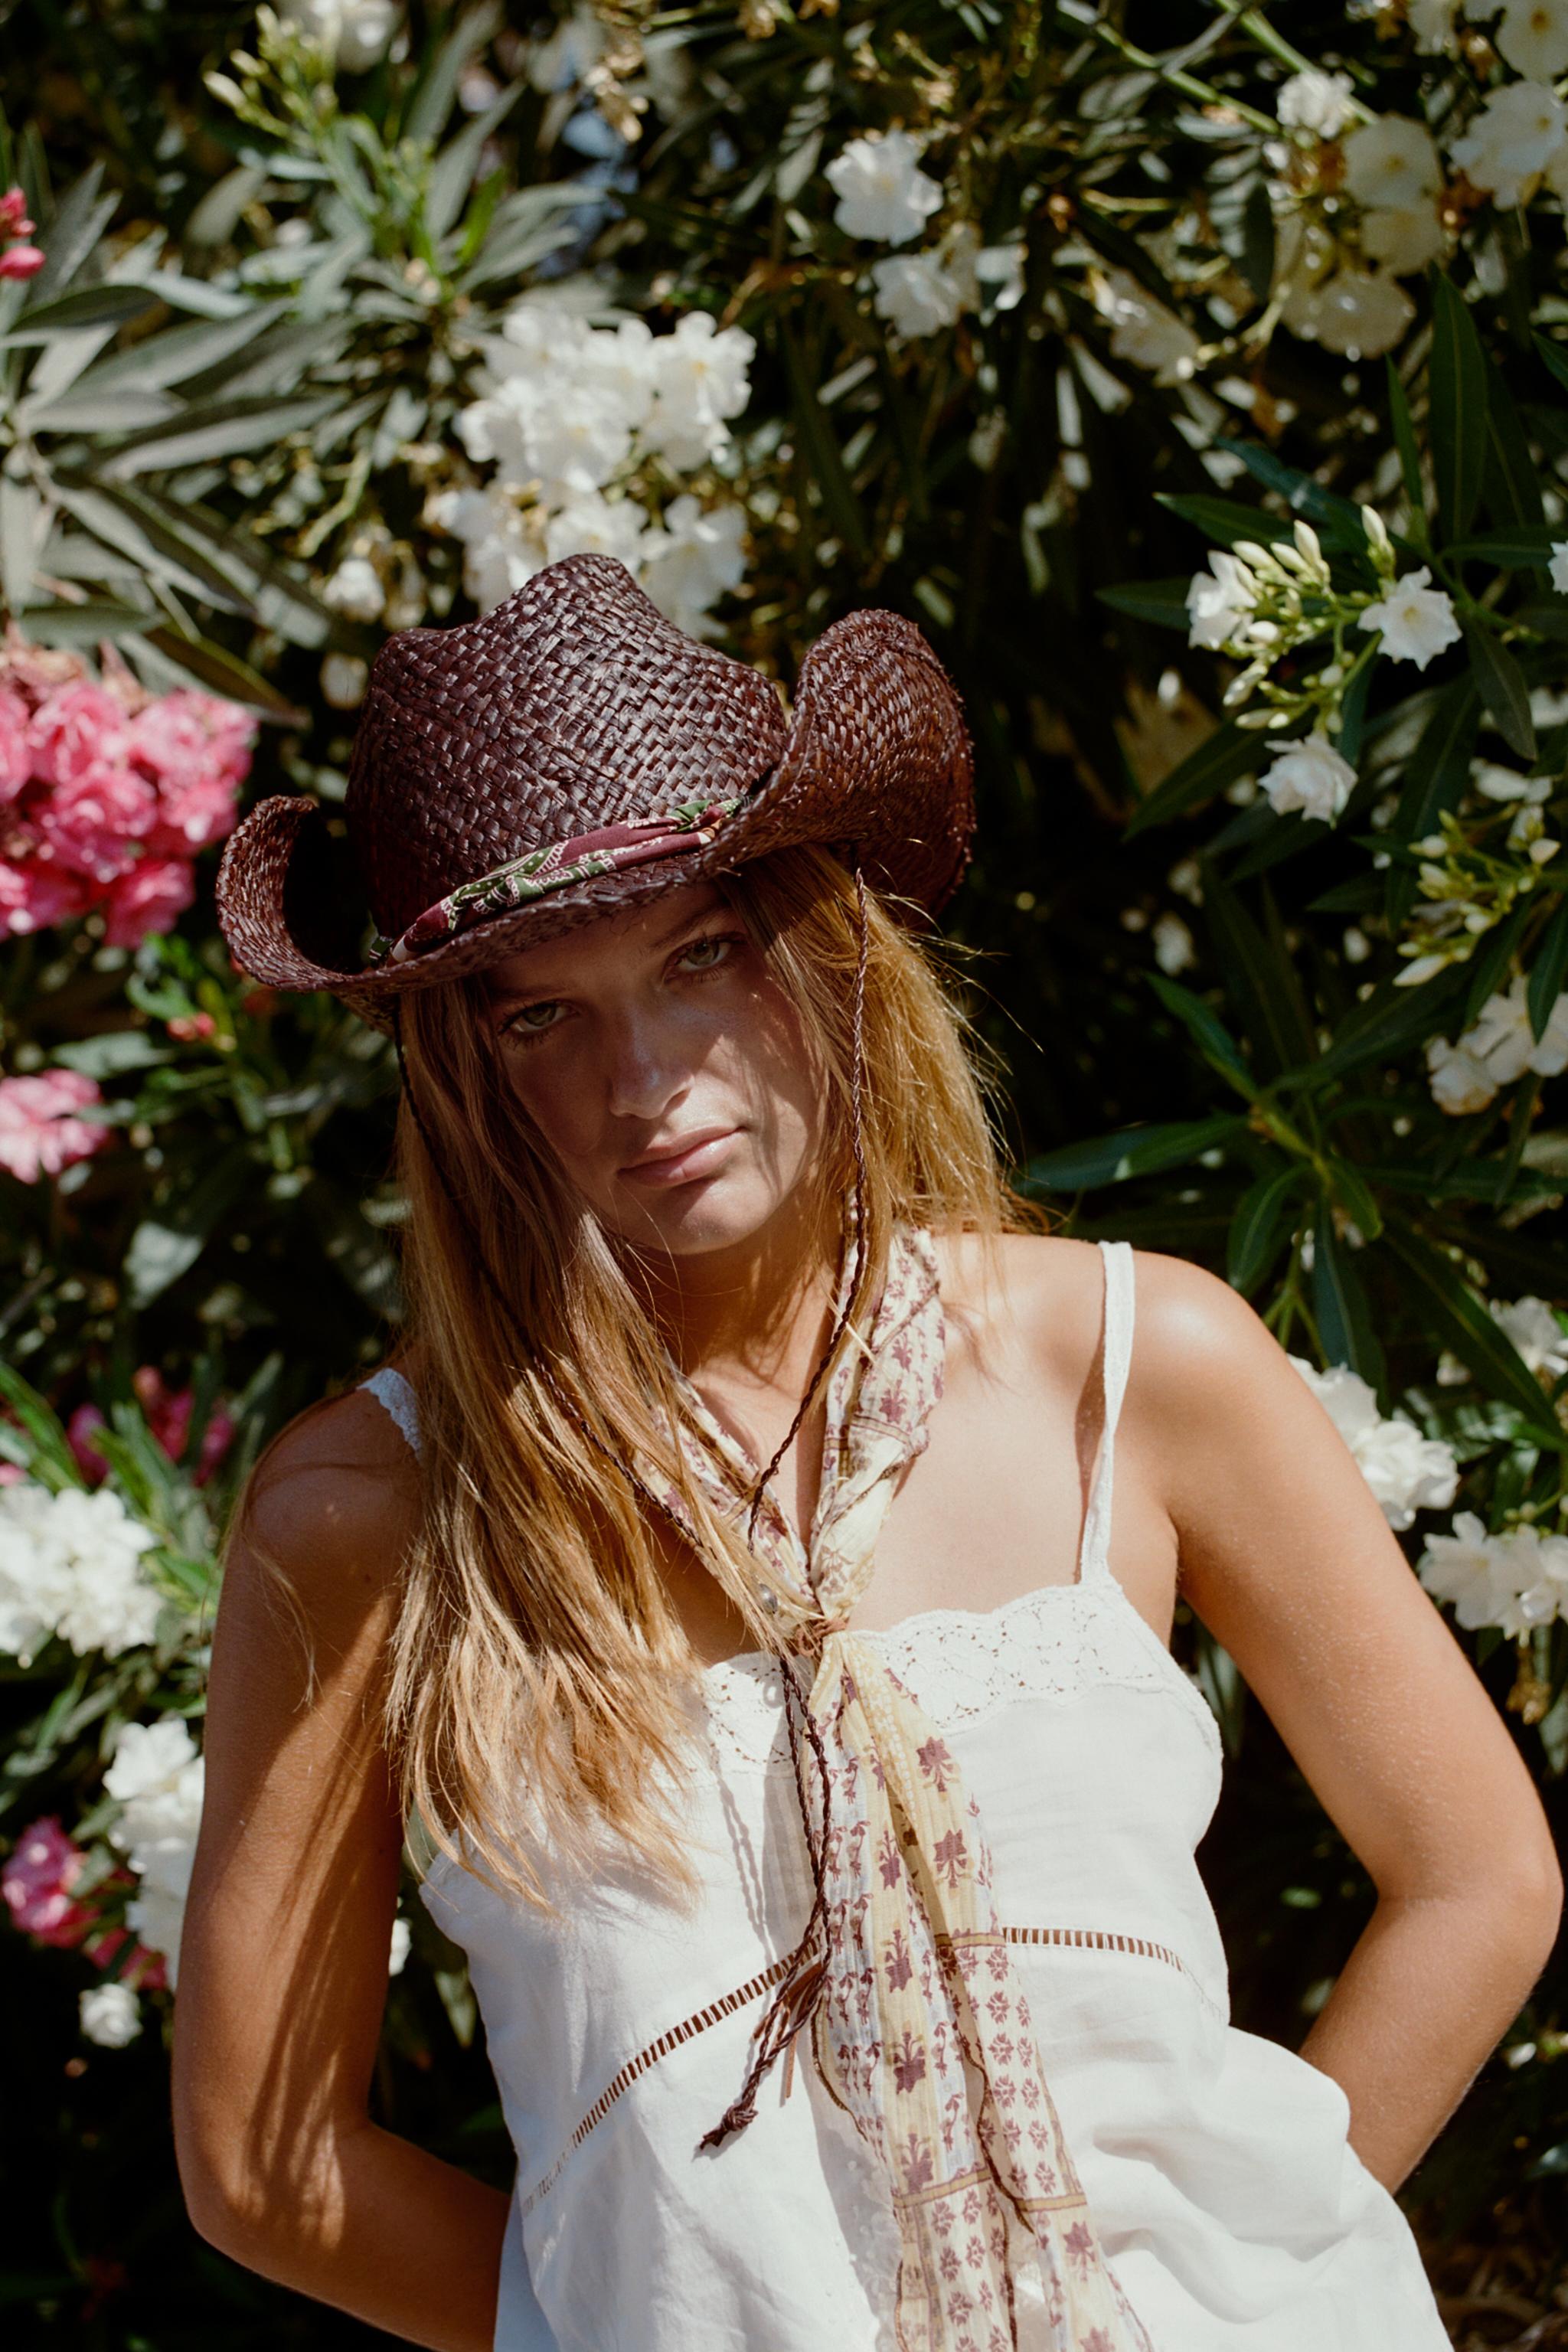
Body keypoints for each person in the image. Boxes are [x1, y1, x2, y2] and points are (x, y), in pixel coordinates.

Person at [173, 554, 1560, 2352]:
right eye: (541, 1012)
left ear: (823, 944)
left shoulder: (1136, 1363)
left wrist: (1252, 2275)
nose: (646, 1075)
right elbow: (263, 2165)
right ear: (458, 1069)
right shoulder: (376, 1513)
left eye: (702, 954)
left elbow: (1480, 1879)